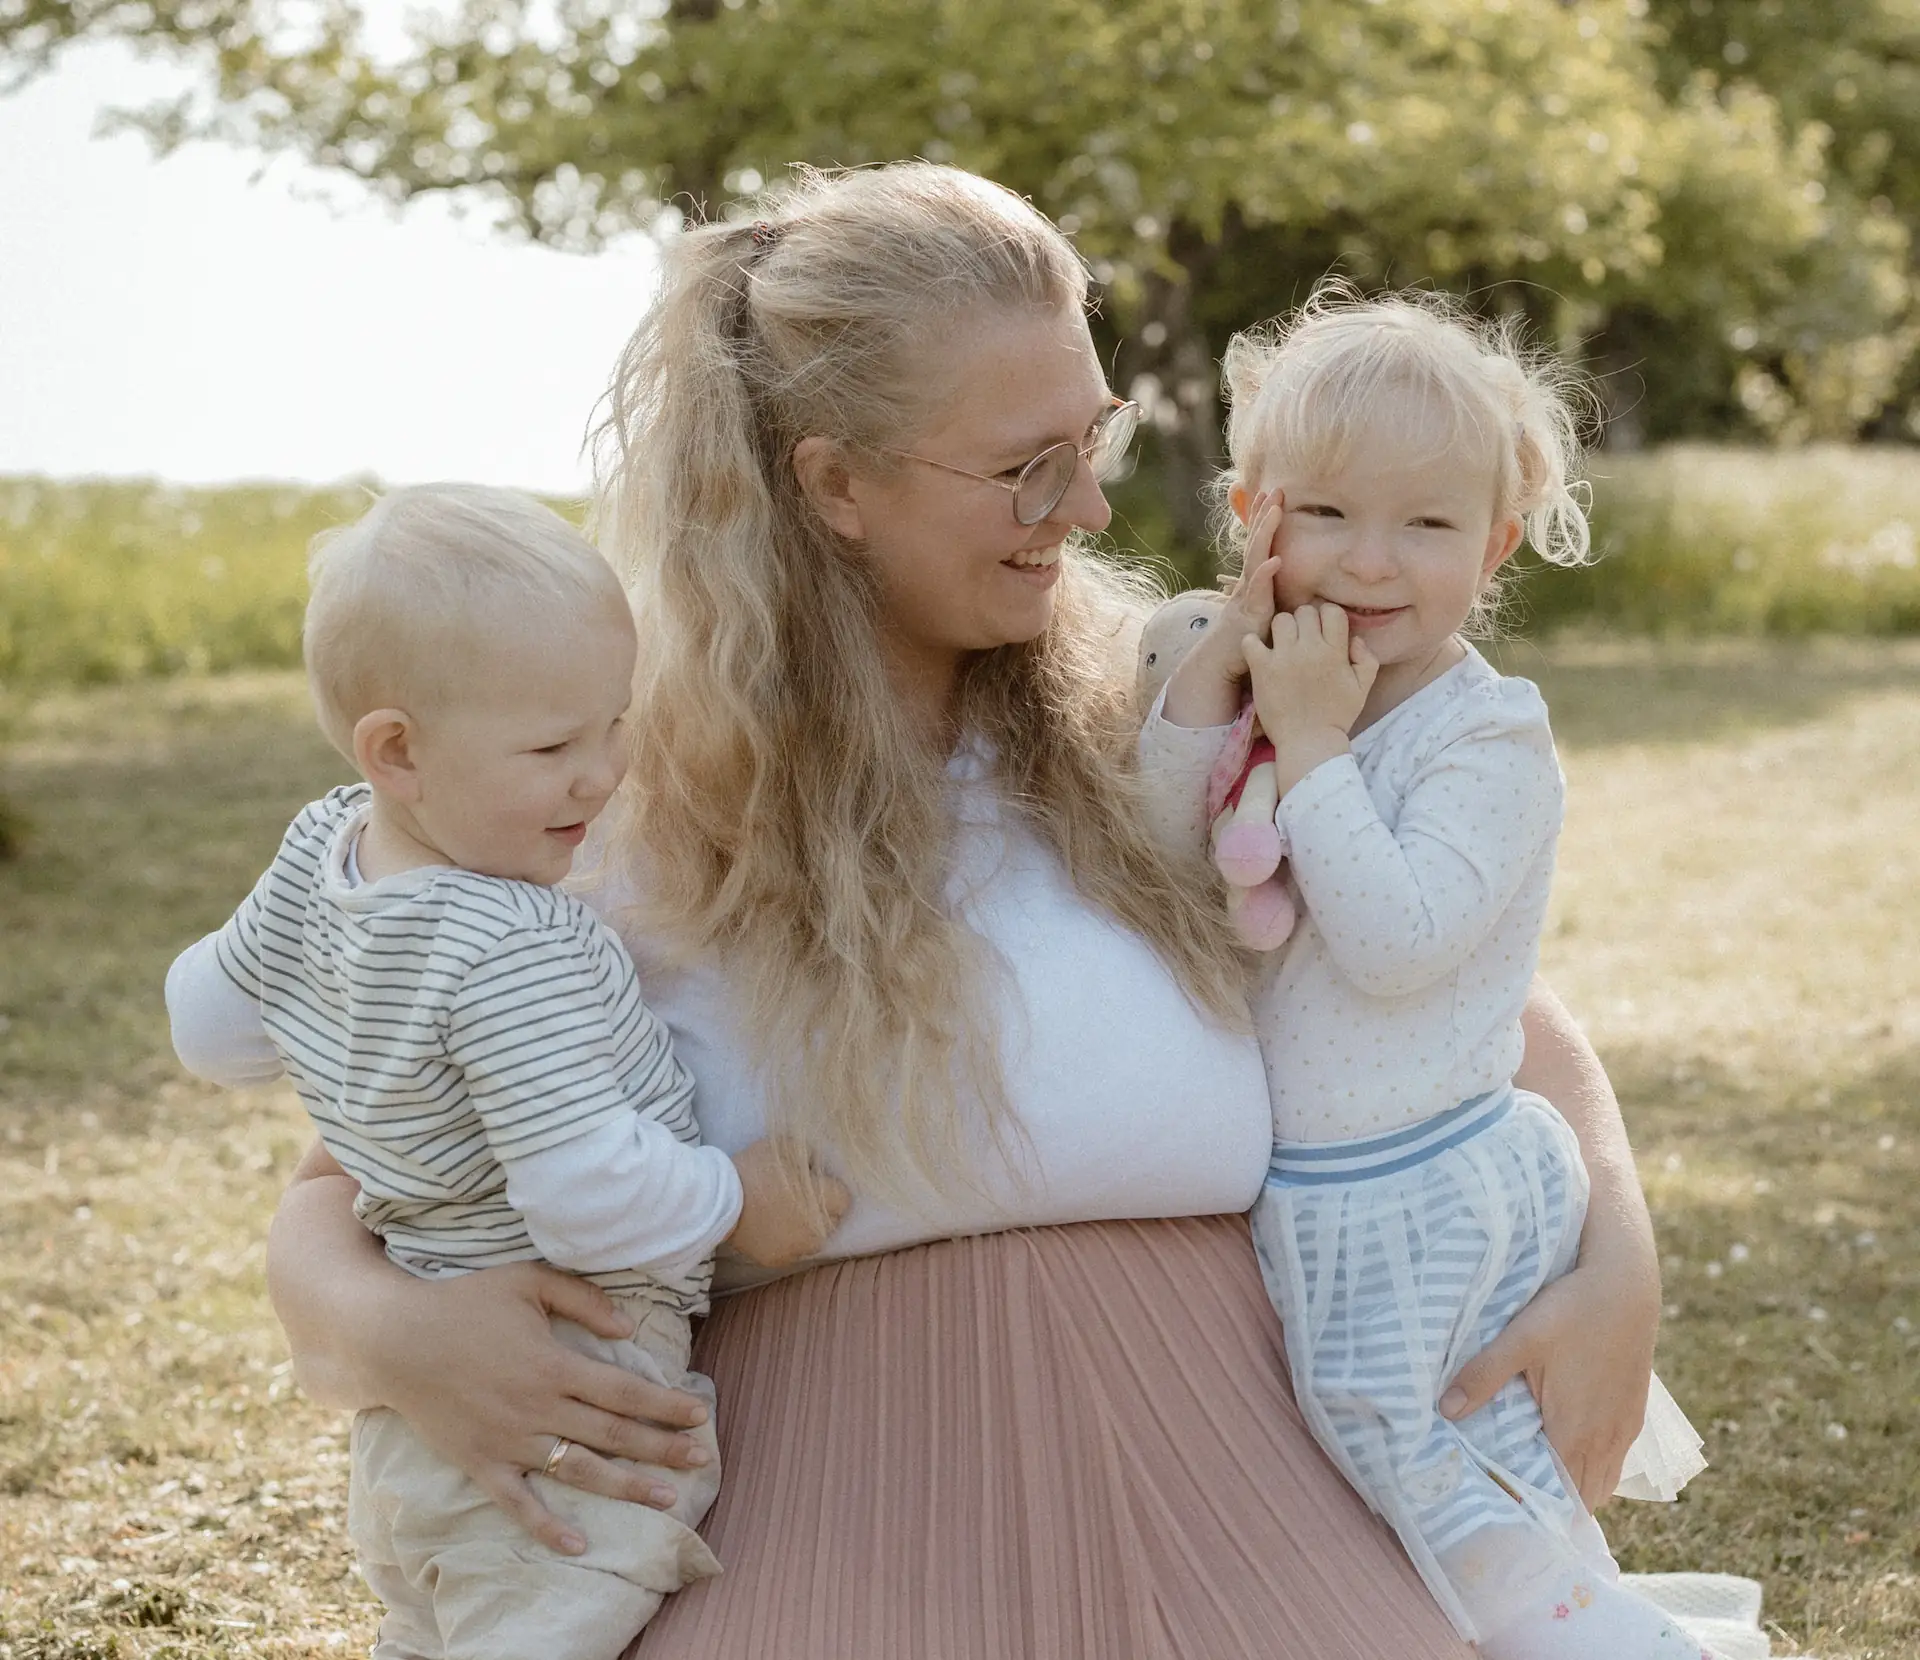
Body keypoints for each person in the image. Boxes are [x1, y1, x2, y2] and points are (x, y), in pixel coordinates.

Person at [261, 165, 1668, 1660]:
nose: (1092, 504)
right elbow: (348, 1178)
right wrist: (398, 1338)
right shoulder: (602, 792)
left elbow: (1476, 1005)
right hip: (830, 1520)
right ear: (834, 484)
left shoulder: (1176, 706)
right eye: (1025, 466)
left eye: (1094, 440)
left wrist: (1619, 1269)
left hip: (1253, 1487)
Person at [164, 484, 847, 1659]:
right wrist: (741, 1197)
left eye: (613, 724)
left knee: (427, 1624)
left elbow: (208, 1027)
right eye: (551, 746)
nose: (603, 776)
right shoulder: (513, 942)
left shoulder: (323, 851)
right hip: (572, 1382)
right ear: (398, 750)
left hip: (413, 1411)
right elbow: (586, 1196)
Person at [1136, 288, 1710, 1659]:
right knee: (1471, 1466)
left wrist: (1317, 746)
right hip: (1347, 1180)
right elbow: (1160, 861)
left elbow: (1395, 946)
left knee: (1409, 1450)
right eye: (1324, 514)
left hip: (1420, 1177)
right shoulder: (1273, 676)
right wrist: (1220, 686)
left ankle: (1595, 1643)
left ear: (1496, 541)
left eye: (1428, 525)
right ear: (1250, 513)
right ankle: (1579, 1613)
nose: (1368, 564)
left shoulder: (1488, 740)